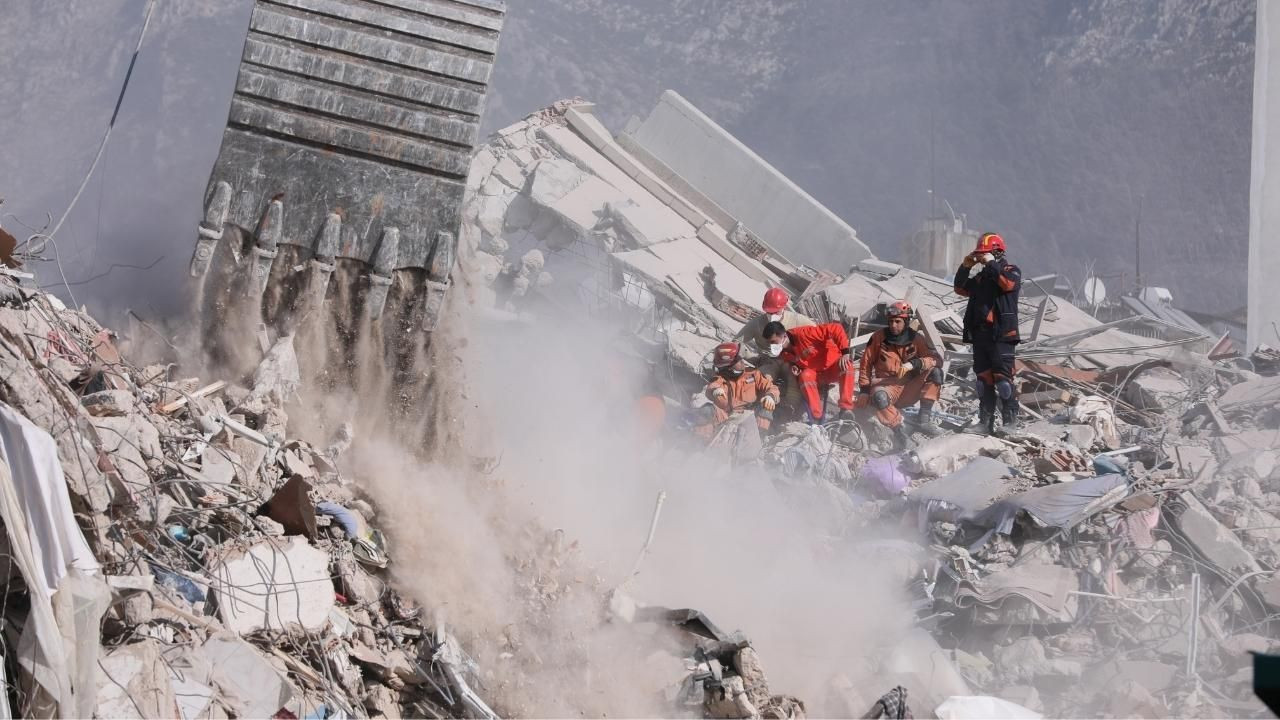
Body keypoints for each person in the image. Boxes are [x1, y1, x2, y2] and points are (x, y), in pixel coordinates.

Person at [953, 232, 1022, 433]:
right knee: (983, 381)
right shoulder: (982, 277)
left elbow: (1007, 284)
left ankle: (1010, 422)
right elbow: (960, 288)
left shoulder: (1010, 271)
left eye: (985, 254)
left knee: (1003, 381)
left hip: (1002, 335)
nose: (982, 258)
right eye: (980, 255)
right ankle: (985, 423)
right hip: (981, 335)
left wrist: (992, 263)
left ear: (997, 252)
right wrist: (965, 266)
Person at [858, 300, 945, 445]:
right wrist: (864, 390)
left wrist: (917, 363)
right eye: (891, 321)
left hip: (909, 387)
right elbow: (865, 364)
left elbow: (937, 360)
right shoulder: (878, 337)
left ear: (906, 321)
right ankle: (900, 433)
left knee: (936, 372)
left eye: (897, 321)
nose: (893, 325)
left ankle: (924, 420)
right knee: (879, 397)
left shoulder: (917, 339)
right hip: (887, 386)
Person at [762, 320, 856, 423]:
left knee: (847, 366)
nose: (772, 346)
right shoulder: (783, 353)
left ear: (784, 335)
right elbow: (797, 362)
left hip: (833, 367)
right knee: (804, 376)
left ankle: (845, 409)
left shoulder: (805, 333)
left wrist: (845, 353)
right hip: (817, 376)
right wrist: (796, 368)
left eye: (773, 342)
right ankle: (816, 416)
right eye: (769, 343)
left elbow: (836, 328)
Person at [693, 342, 780, 440]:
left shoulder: (753, 374)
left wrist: (770, 396)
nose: (742, 361)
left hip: (750, 416)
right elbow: (712, 386)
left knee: (766, 406)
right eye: (738, 360)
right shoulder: (721, 378)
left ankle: (759, 439)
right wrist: (715, 390)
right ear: (729, 366)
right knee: (707, 411)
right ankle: (701, 442)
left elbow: (771, 387)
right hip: (727, 416)